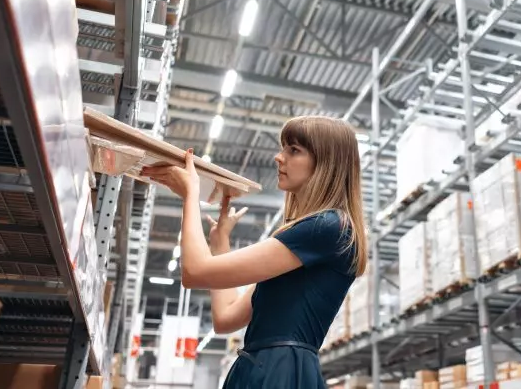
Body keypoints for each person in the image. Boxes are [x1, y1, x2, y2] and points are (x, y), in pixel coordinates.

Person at [141, 116, 368, 388]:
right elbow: (226, 318)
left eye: (293, 150)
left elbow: (194, 272)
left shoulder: (327, 227)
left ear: (326, 163)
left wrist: (192, 194)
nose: (278, 157)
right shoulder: (313, 235)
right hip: (267, 365)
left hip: (278, 370)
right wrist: (220, 242)